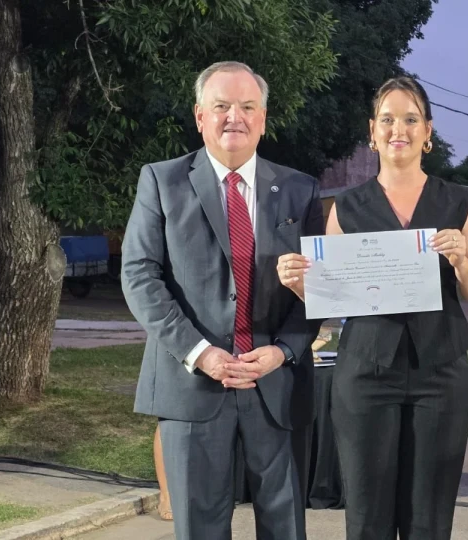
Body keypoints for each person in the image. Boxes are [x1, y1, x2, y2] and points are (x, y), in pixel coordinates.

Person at [276, 76, 468, 539]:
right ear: (372, 132)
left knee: (429, 520)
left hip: (441, 374)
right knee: (367, 517)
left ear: (428, 132)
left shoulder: (459, 203)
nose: (400, 129)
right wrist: (300, 285)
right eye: (388, 119)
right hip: (365, 376)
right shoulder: (347, 207)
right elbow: (328, 300)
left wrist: (460, 260)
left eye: (411, 119)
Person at [122, 60, 324, 540]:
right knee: (201, 528)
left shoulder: (300, 189)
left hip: (275, 386)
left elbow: (318, 287)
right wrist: (201, 353)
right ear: (199, 116)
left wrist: (283, 350)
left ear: (263, 119)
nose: (235, 116)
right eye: (222, 106)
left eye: (248, 106)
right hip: (191, 385)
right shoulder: (161, 180)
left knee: (285, 526)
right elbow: (139, 275)